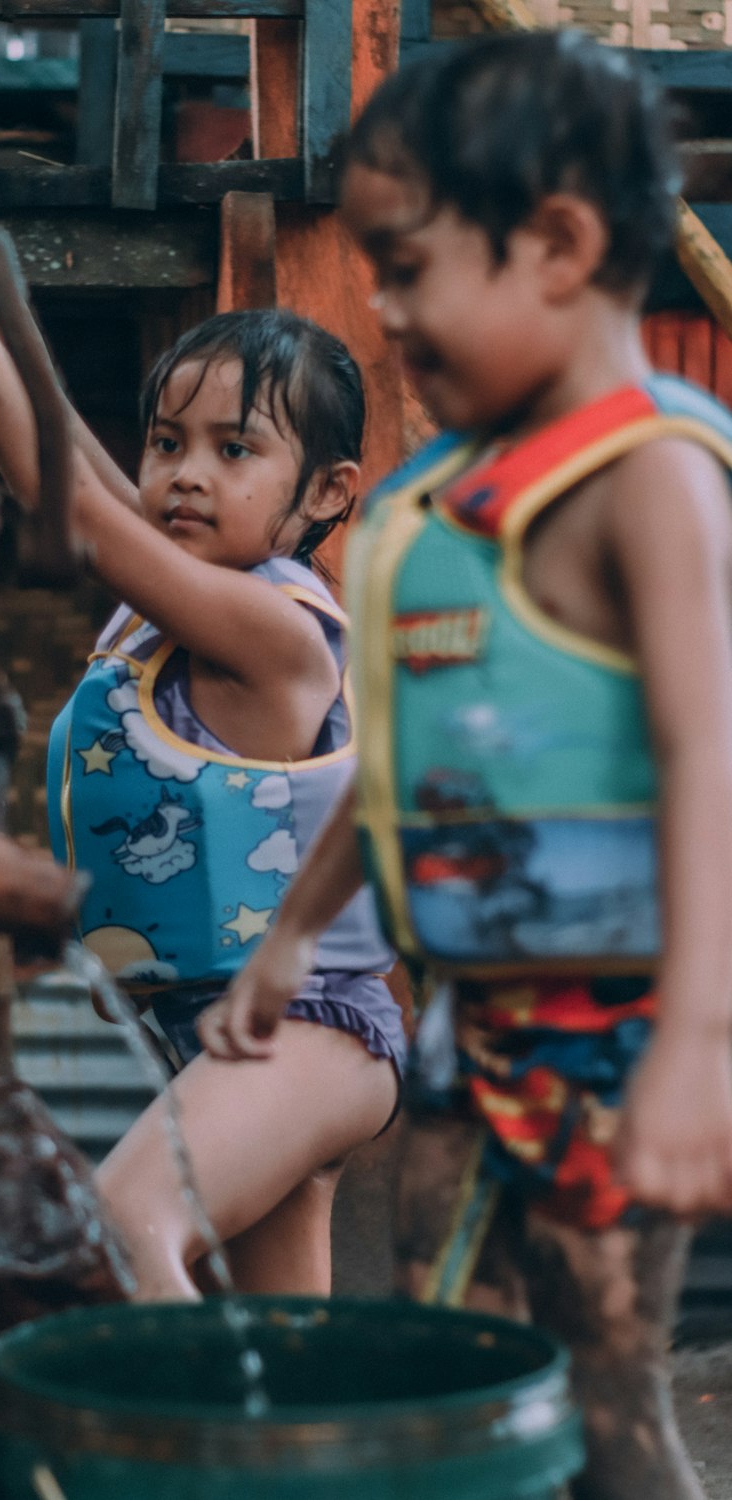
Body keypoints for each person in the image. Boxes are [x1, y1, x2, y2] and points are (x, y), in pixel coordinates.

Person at [199, 32, 732, 1500]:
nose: (384, 302)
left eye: (412, 263)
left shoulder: (654, 482)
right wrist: (289, 943)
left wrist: (701, 1043)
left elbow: (709, 760)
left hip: (619, 1040)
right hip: (461, 1031)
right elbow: (399, 776)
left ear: (557, 244)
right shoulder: (432, 510)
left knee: (611, 1403)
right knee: (458, 1383)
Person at [0, 152, 406, 1301]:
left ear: (325, 494)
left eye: (235, 448)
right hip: (224, 1031)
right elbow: (58, 439)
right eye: (167, 443)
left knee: (122, 1222)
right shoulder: (170, 610)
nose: (184, 475)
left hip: (313, 1033)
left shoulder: (275, 637)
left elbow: (47, 484)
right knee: (280, 1346)